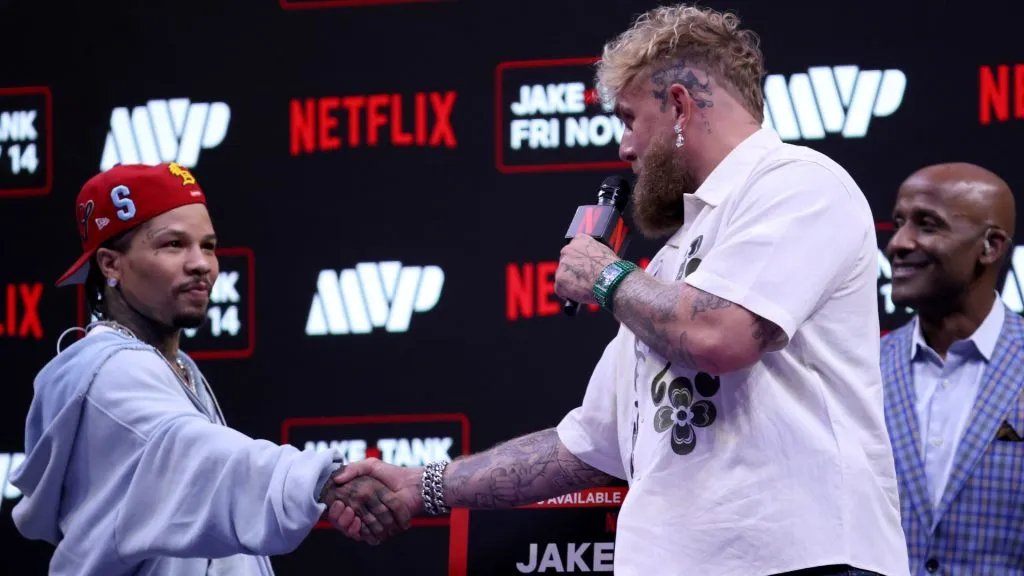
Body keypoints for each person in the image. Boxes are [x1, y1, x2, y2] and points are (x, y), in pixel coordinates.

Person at [325, 4, 910, 575]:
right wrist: (421, 487)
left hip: (804, 562)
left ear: (679, 106)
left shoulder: (798, 184)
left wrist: (605, 276)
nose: (625, 148)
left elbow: (721, 332)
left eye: (630, 119)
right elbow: (583, 445)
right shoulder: (678, 252)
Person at [9, 162, 410, 575]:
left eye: (209, 246)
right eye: (173, 245)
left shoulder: (172, 366)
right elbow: (203, 458)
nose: (201, 263)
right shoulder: (109, 371)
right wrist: (321, 482)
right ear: (111, 265)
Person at [880, 162, 1024, 575]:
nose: (898, 244)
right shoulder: (861, 370)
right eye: (899, 223)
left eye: (927, 224)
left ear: (990, 247)